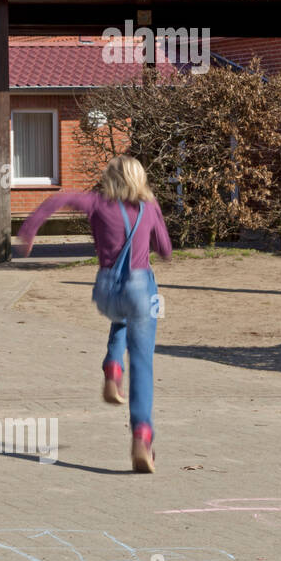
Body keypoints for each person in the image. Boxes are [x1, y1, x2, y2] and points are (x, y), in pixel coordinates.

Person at [17, 154, 172, 473]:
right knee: (142, 361)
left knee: (121, 315)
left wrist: (28, 232)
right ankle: (142, 435)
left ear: (109, 179)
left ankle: (113, 366)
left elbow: (56, 200)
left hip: (106, 289)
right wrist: (152, 234)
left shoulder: (96, 203)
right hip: (141, 288)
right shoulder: (149, 207)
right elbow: (166, 249)